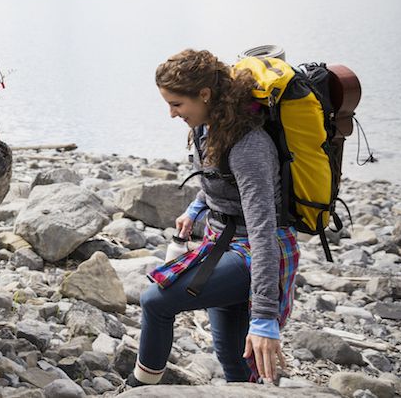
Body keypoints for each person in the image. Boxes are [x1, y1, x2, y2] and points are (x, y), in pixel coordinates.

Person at [123, 49, 299, 389]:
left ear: (204, 95)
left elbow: (262, 230)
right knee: (235, 364)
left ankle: (139, 388)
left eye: (176, 104)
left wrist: (264, 315)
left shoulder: (249, 145)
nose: (172, 114)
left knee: (155, 301)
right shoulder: (206, 128)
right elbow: (219, 179)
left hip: (256, 251)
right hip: (218, 243)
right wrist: (197, 208)